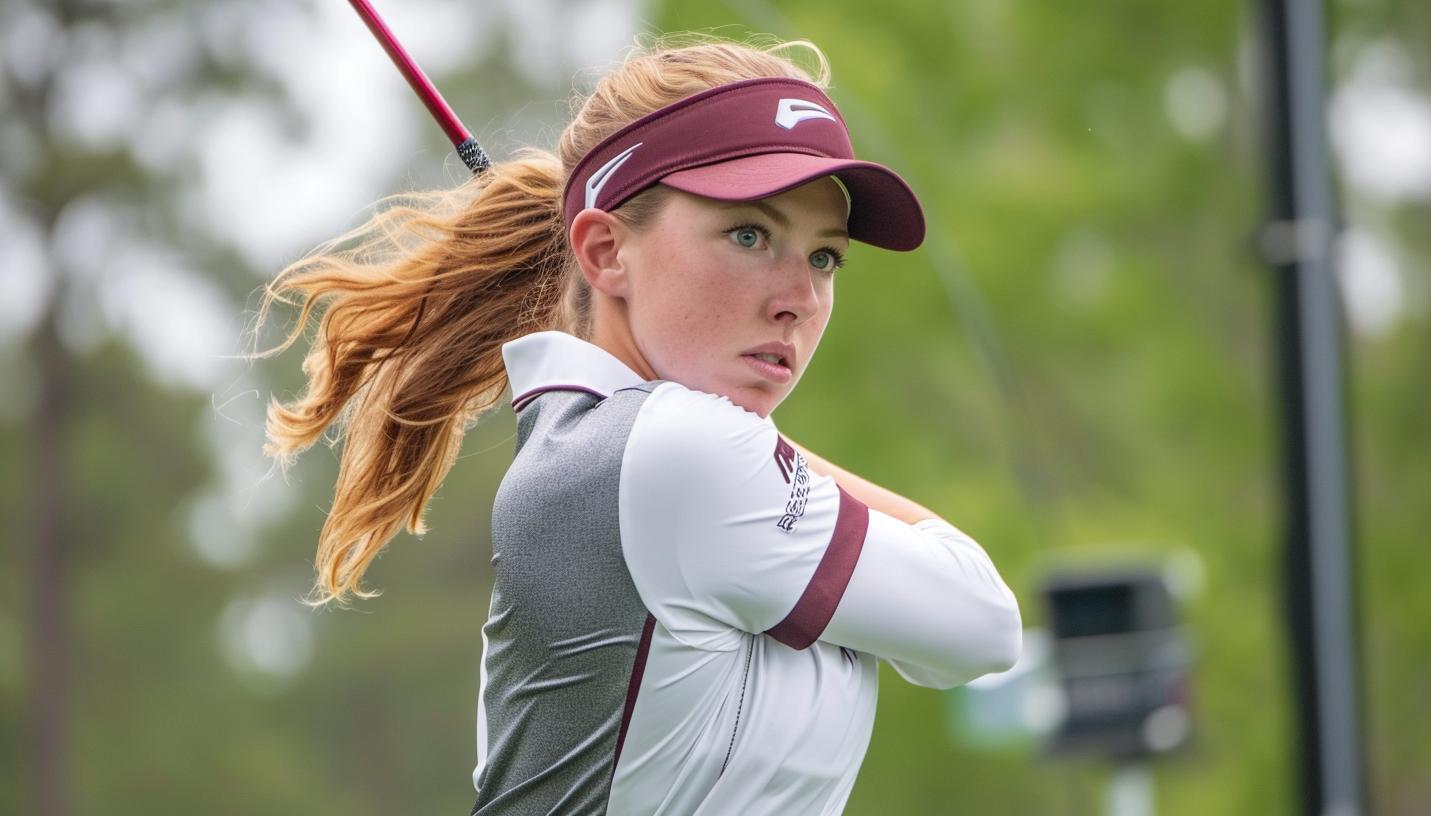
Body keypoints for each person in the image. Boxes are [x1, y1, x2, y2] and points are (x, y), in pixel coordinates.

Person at [253, 34, 1021, 816]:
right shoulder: (680, 455)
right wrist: (762, 445)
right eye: (749, 235)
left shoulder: (629, 449)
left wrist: (760, 445)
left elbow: (970, 634)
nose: (801, 296)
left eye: (825, 257)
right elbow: (983, 620)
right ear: (605, 251)